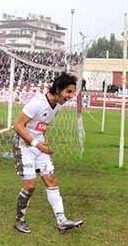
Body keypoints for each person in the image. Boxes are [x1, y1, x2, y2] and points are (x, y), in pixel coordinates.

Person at [12, 72, 84, 234]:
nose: (70, 96)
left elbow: (41, 126)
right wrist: (36, 143)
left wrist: (41, 141)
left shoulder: (57, 106)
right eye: (68, 92)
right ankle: (19, 221)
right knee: (30, 186)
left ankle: (62, 221)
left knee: (51, 180)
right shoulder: (37, 103)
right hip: (24, 145)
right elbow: (17, 126)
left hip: (39, 146)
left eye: (72, 92)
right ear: (58, 89)